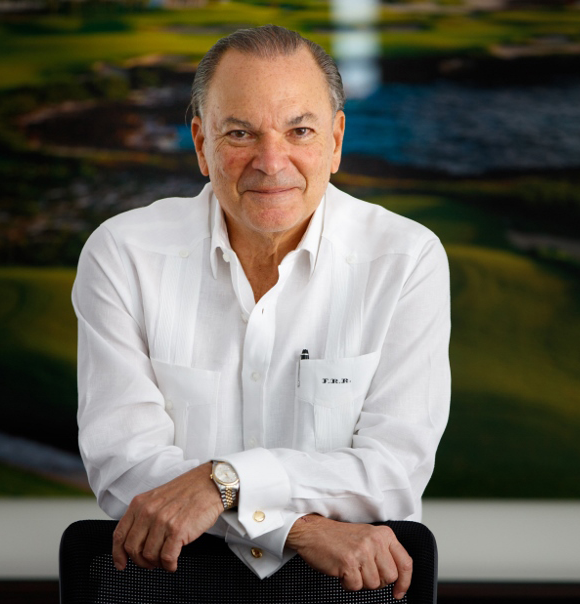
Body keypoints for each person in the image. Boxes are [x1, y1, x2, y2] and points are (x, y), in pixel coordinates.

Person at [72, 25, 450, 601]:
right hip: (170, 593)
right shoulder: (122, 253)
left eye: (299, 131)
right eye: (240, 133)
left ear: (336, 140)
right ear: (201, 144)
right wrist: (297, 528)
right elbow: (125, 471)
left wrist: (219, 484)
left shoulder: (407, 258)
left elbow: (391, 475)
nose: (272, 163)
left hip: (340, 595)